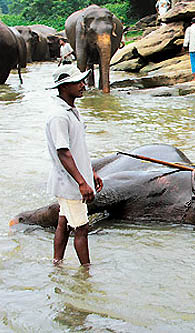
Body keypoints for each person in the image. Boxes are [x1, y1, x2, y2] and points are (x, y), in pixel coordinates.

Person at [46, 65, 103, 266]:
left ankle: (57, 262)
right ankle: (86, 274)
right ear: (63, 87)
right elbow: (63, 152)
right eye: (77, 82)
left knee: (64, 222)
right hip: (69, 183)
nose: (83, 85)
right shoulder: (59, 116)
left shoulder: (72, 112)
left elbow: (78, 149)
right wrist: (81, 182)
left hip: (72, 180)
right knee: (82, 227)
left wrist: (91, 172)